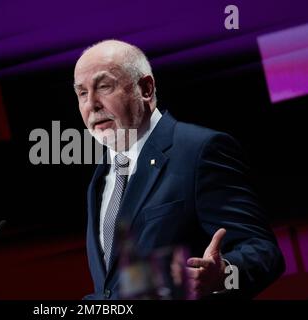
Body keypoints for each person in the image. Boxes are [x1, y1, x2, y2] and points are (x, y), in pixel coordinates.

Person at [73, 39, 284, 299]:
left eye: (104, 87)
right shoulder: (101, 177)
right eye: (82, 93)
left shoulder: (198, 150)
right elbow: (115, 290)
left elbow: (264, 252)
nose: (91, 104)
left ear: (146, 89)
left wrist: (223, 277)